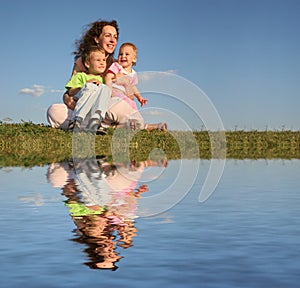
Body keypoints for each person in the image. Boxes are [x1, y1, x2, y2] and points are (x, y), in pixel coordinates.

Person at [47, 19, 119, 129]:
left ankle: (93, 123)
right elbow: (69, 93)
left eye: (115, 37)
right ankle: (82, 122)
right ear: (96, 39)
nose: (112, 40)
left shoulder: (116, 65)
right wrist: (70, 99)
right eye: (108, 36)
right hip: (81, 103)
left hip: (106, 107)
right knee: (54, 110)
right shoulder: (82, 61)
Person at [65, 45, 111, 132]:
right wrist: (86, 84)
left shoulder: (103, 80)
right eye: (98, 60)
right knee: (91, 86)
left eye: (104, 60)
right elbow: (70, 92)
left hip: (93, 106)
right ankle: (76, 120)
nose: (102, 63)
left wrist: (100, 86)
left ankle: (95, 121)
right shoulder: (80, 76)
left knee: (106, 88)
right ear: (87, 63)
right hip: (81, 99)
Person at [105, 42, 147, 111]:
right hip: (115, 93)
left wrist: (139, 97)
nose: (123, 56)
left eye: (127, 54)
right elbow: (108, 76)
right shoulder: (117, 66)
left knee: (132, 105)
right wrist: (108, 91)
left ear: (134, 59)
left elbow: (133, 86)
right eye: (120, 54)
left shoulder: (133, 74)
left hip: (125, 96)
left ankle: (134, 120)